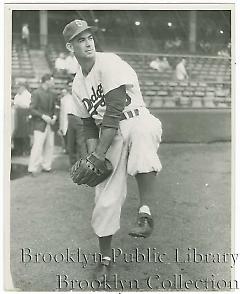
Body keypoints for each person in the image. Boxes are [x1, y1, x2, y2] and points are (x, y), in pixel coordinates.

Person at [63, 19, 163, 280]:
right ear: (70, 46)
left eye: (89, 37)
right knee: (104, 199)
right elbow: (87, 124)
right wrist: (93, 156)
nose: (88, 43)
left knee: (142, 139)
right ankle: (105, 260)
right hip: (110, 134)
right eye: (80, 39)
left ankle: (145, 214)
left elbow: (115, 110)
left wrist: (98, 153)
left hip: (136, 118)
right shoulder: (77, 84)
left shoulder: (109, 62)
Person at [28, 74, 58, 176]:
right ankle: (32, 168)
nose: (53, 83)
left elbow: (55, 108)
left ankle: (46, 166)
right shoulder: (36, 93)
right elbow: (32, 109)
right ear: (46, 81)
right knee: (37, 146)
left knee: (49, 146)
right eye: (52, 81)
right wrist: (43, 116)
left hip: (50, 124)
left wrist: (54, 117)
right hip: (40, 124)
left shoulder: (53, 93)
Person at [58, 84, 87, 165]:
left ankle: (83, 165)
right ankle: (73, 164)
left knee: (81, 143)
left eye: (72, 85)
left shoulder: (81, 95)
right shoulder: (64, 99)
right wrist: (61, 127)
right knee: (70, 144)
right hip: (69, 120)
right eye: (69, 86)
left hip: (79, 119)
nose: (71, 88)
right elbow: (62, 113)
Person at [12, 81, 31, 155]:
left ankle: (26, 150)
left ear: (23, 87)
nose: (17, 89)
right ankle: (18, 150)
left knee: (25, 134)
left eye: (18, 87)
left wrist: (18, 105)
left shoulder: (28, 95)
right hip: (17, 116)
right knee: (17, 133)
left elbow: (28, 106)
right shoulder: (17, 95)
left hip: (24, 115)